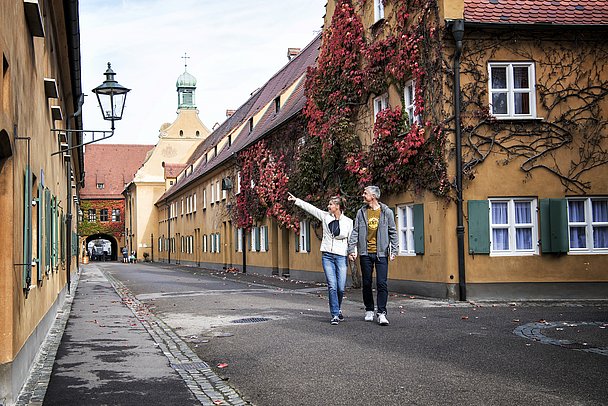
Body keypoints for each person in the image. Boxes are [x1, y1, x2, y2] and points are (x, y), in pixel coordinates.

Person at [288, 192, 353, 325]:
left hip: (341, 256)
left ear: (338, 206)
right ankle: (335, 314)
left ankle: (338, 308)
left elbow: (351, 240)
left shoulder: (348, 222)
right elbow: (311, 208)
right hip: (327, 256)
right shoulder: (325, 216)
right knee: (332, 286)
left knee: (340, 287)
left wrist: (353, 252)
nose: (328, 206)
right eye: (329, 204)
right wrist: (296, 200)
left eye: (331, 204)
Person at [348, 185, 398, 326]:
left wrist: (394, 250)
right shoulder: (361, 212)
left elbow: (393, 232)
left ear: (374, 196)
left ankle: (382, 313)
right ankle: (369, 309)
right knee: (367, 283)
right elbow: (356, 231)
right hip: (365, 253)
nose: (363, 195)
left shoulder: (386, 212)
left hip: (381, 253)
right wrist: (352, 249)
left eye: (365, 193)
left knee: (382, 283)